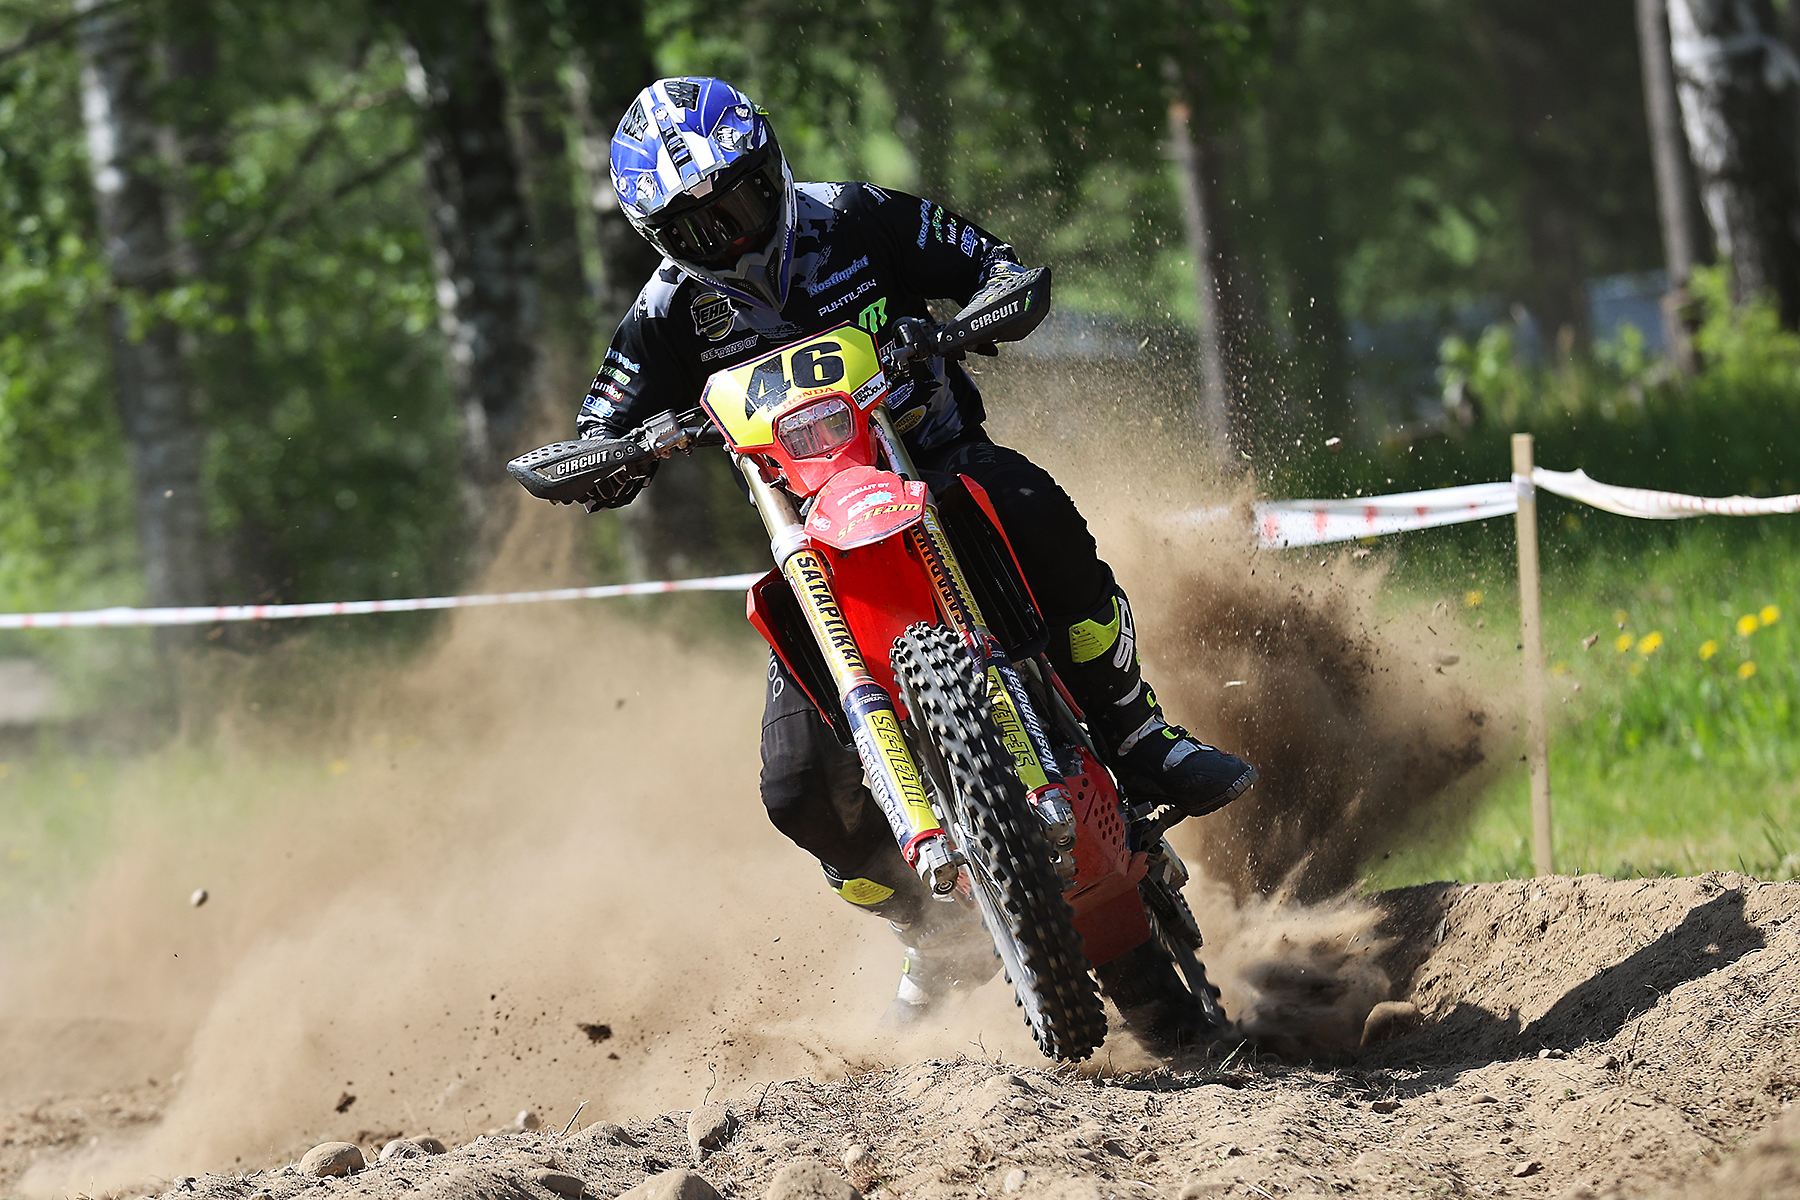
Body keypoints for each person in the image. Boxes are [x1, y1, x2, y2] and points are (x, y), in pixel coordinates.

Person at [579, 77, 1257, 1052]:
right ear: (661, 240)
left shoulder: (857, 217)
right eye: (695, 228)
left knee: (1037, 510)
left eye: (741, 201)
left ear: (772, 171)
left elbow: (996, 264)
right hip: (813, 540)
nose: (728, 234)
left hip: (935, 465)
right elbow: (600, 420)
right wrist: (612, 456)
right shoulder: (667, 313)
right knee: (794, 789)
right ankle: (926, 929)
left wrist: (971, 315)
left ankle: (1139, 734)